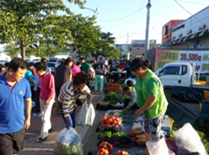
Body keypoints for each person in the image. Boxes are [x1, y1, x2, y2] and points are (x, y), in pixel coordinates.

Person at [130, 58, 168, 155]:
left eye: (134, 71)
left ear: (139, 69)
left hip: (155, 110)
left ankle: (155, 153)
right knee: (147, 130)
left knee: (154, 135)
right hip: (146, 109)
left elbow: (152, 99)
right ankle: (148, 151)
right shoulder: (140, 76)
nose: (133, 74)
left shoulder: (151, 79)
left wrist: (141, 110)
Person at [0, 58, 32, 155]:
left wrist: (28, 118)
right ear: (10, 71)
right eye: (20, 74)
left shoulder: (24, 83)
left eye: (24, 73)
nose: (23, 76)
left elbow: (28, 100)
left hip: (19, 126)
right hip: (2, 130)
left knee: (15, 152)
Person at [34, 62, 55, 143]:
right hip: (41, 97)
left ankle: (43, 135)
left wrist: (48, 99)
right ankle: (49, 127)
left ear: (41, 70)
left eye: (36, 70)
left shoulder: (50, 76)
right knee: (42, 115)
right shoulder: (39, 76)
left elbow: (52, 89)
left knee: (46, 116)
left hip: (49, 98)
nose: (35, 71)